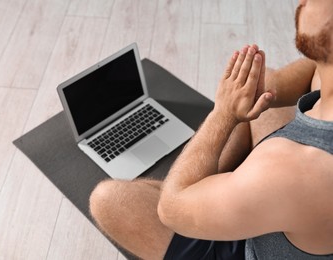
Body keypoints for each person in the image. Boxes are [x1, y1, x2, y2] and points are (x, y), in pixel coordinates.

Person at [89, 0, 333, 259]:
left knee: (108, 200)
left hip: (244, 248)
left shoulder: (300, 169)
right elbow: (315, 70)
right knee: (263, 93)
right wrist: (268, 86)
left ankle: (209, 191)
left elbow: (172, 210)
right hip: (284, 202)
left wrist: (224, 113)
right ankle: (219, 189)